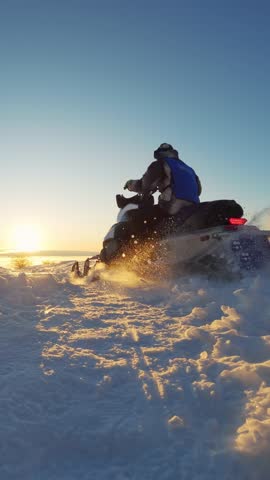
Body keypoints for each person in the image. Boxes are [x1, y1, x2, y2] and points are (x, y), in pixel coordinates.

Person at [124, 143, 202, 216]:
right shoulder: (189, 169)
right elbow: (198, 190)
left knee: (144, 212)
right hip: (194, 205)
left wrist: (130, 184)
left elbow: (146, 184)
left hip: (173, 205)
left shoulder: (160, 163)